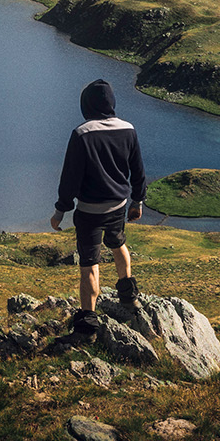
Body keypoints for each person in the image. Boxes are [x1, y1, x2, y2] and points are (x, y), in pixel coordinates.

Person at [50, 78, 147, 333]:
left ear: (87, 105)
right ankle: (128, 296)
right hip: (118, 206)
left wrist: (60, 210)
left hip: (89, 211)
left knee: (90, 264)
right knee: (118, 244)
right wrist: (137, 201)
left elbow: (69, 177)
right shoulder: (128, 129)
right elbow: (137, 171)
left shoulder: (82, 133)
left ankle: (88, 324)